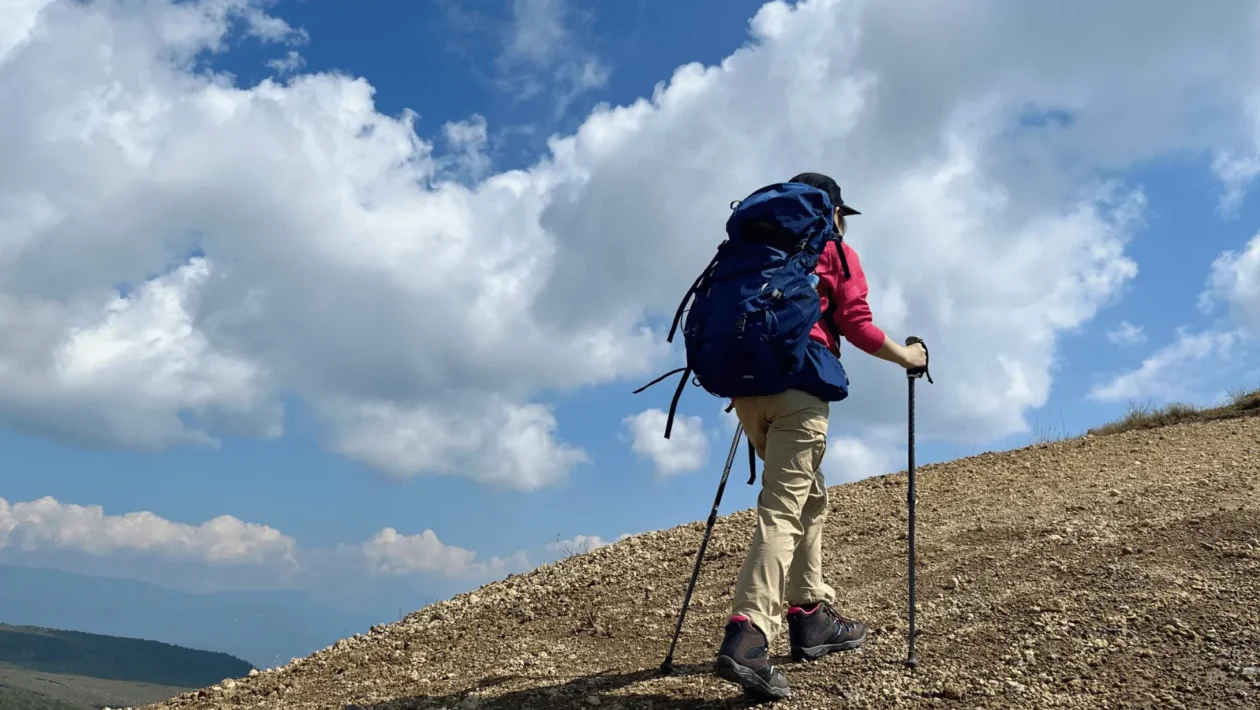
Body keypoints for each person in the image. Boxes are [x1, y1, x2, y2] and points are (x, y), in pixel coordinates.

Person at [713, 172, 928, 701]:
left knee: (809, 498)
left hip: (746, 392)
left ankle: (809, 615)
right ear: (831, 212)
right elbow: (856, 323)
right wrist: (908, 356)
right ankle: (748, 634)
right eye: (841, 215)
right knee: (783, 510)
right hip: (800, 388)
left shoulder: (752, 251)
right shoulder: (832, 250)